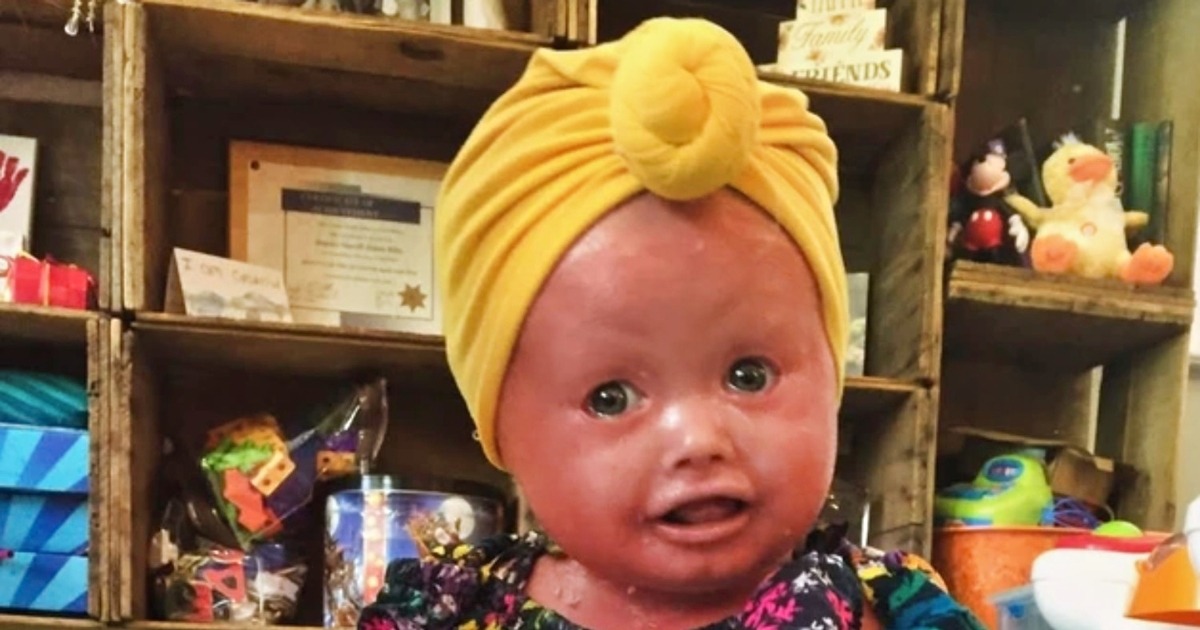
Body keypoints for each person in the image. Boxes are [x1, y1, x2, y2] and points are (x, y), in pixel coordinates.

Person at [358, 16, 985, 630]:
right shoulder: (450, 611)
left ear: (831, 372)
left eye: (749, 375)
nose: (698, 439)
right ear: (500, 428)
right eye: (610, 398)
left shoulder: (892, 606)